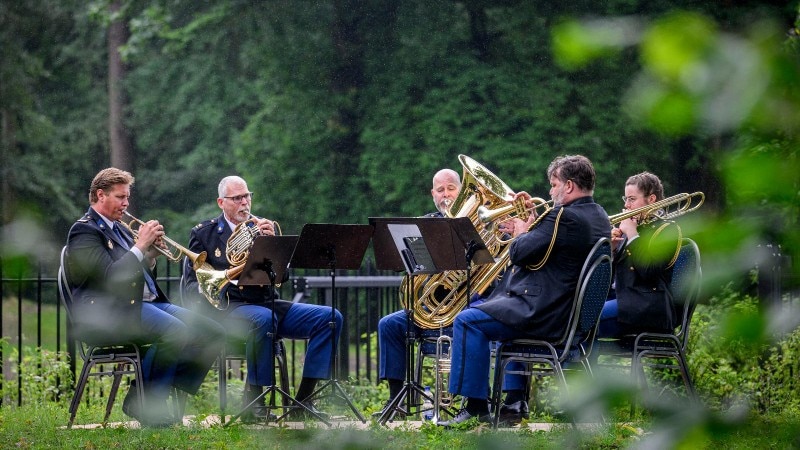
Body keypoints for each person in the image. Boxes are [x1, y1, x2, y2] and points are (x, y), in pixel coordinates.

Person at [438, 155, 612, 427]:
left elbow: (518, 253)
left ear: (568, 186)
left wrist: (521, 232)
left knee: (467, 320)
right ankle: (505, 402)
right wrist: (531, 228)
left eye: (554, 184)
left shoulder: (563, 216)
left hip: (544, 313)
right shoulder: (598, 215)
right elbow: (548, 251)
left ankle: (475, 407)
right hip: (565, 314)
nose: (550, 190)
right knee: (483, 314)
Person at [65, 167, 225, 427]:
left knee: (212, 331)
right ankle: (147, 403)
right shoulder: (84, 231)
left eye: (127, 197)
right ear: (100, 195)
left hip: (143, 304)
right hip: (110, 312)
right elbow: (110, 277)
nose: (126, 203)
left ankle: (147, 394)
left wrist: (152, 255)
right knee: (175, 332)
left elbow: (136, 270)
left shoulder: (118, 228)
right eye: (120, 197)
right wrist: (140, 246)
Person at [183, 175, 342, 421]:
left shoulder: (260, 229)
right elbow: (192, 284)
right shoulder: (205, 234)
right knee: (263, 319)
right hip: (229, 308)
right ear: (221, 202)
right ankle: (254, 400)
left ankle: (303, 401)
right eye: (236, 198)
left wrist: (271, 244)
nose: (244, 203)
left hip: (266, 303)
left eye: (247, 196)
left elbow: (282, 277)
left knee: (330, 318)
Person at [372, 168, 462, 418]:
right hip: (429, 310)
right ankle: (396, 400)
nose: (446, 195)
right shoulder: (425, 223)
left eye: (451, 188)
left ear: (461, 190)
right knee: (389, 324)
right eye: (440, 190)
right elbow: (410, 266)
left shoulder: (473, 225)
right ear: (433, 194)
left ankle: (459, 400)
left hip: (461, 309)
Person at [596, 172, 682, 340]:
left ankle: (581, 365)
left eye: (632, 199)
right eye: (625, 199)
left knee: (585, 322)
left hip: (647, 307)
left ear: (651, 200)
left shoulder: (667, 231)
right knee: (573, 315)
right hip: (623, 300)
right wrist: (612, 251)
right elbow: (614, 278)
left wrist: (633, 235)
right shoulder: (633, 225)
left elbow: (649, 272)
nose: (627, 205)